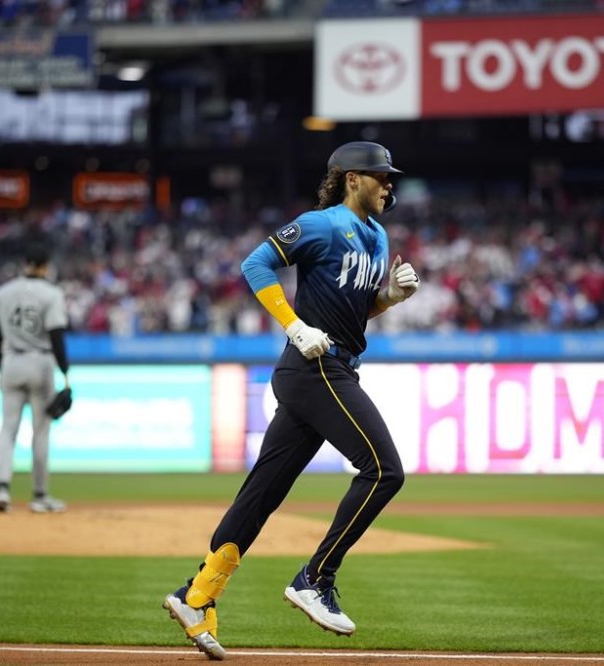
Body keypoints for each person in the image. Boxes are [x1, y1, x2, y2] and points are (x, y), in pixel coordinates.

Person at [162, 141, 420, 660]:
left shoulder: (377, 235)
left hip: (333, 365)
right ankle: (315, 578)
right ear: (351, 179)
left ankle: (196, 595)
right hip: (313, 368)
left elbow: (355, 310)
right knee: (384, 470)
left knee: (263, 492)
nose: (389, 184)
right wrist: (295, 325)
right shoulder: (321, 224)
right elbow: (256, 265)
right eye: (380, 176)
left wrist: (389, 297)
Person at [0, 242, 71, 514]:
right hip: (41, 362)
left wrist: (2, 366)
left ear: (25, 263)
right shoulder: (51, 293)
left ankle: (2, 488)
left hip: (11, 359)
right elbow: (57, 335)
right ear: (45, 266)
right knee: (41, 432)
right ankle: (39, 495)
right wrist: (66, 372)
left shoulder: (2, 293)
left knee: (8, 429)